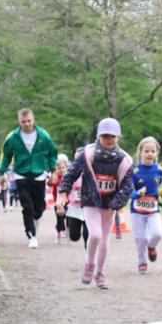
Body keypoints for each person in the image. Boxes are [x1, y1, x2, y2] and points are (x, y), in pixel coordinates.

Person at [58, 119, 134, 289]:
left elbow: (127, 187)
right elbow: (71, 174)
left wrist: (115, 206)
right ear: (99, 136)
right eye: (105, 136)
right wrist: (63, 192)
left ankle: (100, 273)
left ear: (118, 137)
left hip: (109, 204)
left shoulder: (125, 160)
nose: (109, 139)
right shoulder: (88, 154)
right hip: (90, 200)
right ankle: (89, 265)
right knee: (95, 235)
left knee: (105, 241)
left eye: (112, 136)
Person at [0, 108, 58, 249]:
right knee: (27, 206)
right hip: (21, 174)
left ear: (33, 119)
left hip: (39, 174)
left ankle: (35, 220)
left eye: (29, 121)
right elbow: (6, 156)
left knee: (39, 209)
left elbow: (52, 153)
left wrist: (53, 170)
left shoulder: (43, 135)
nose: (26, 124)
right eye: (23, 121)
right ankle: (31, 235)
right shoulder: (13, 137)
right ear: (19, 121)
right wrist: (1, 172)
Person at [130, 137, 162, 274]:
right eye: (146, 151)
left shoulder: (160, 170)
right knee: (140, 238)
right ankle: (142, 262)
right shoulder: (134, 170)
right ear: (140, 152)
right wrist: (136, 194)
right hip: (137, 211)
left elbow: (161, 187)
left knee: (157, 234)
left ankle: (151, 247)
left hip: (153, 210)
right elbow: (129, 190)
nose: (149, 154)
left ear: (157, 153)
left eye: (152, 151)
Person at [48, 157, 69, 242]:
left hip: (67, 201)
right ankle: (59, 231)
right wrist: (51, 179)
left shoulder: (68, 177)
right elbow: (50, 184)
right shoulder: (56, 177)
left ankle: (64, 230)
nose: (62, 169)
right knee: (59, 217)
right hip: (57, 201)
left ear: (66, 168)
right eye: (60, 168)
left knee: (66, 216)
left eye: (63, 168)